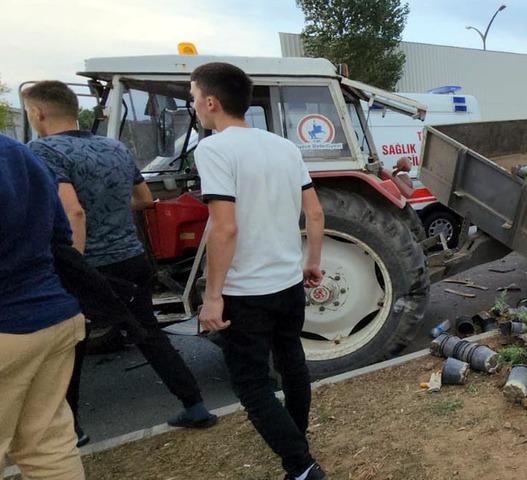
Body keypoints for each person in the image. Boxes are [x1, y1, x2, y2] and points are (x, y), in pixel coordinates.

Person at [22, 81, 216, 444]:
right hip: (131, 258)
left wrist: (75, 266)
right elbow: (143, 199)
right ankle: (195, 406)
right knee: (149, 334)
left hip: (88, 264)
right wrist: (109, 210)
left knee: (70, 347)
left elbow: (73, 212)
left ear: (37, 113)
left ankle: (71, 430)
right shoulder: (114, 147)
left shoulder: (42, 151)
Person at [191, 62, 327, 480]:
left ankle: (301, 467)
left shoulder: (213, 149)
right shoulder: (284, 147)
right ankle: (297, 442)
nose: (195, 106)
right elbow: (315, 213)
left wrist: (212, 296)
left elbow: (224, 227)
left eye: (194, 98)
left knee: (252, 385)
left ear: (211, 102)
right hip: (288, 282)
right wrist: (313, 262)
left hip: (246, 291)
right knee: (292, 363)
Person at [0, 134, 86, 480]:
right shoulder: (17, 153)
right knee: (47, 446)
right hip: (50, 313)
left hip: (8, 323)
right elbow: (60, 234)